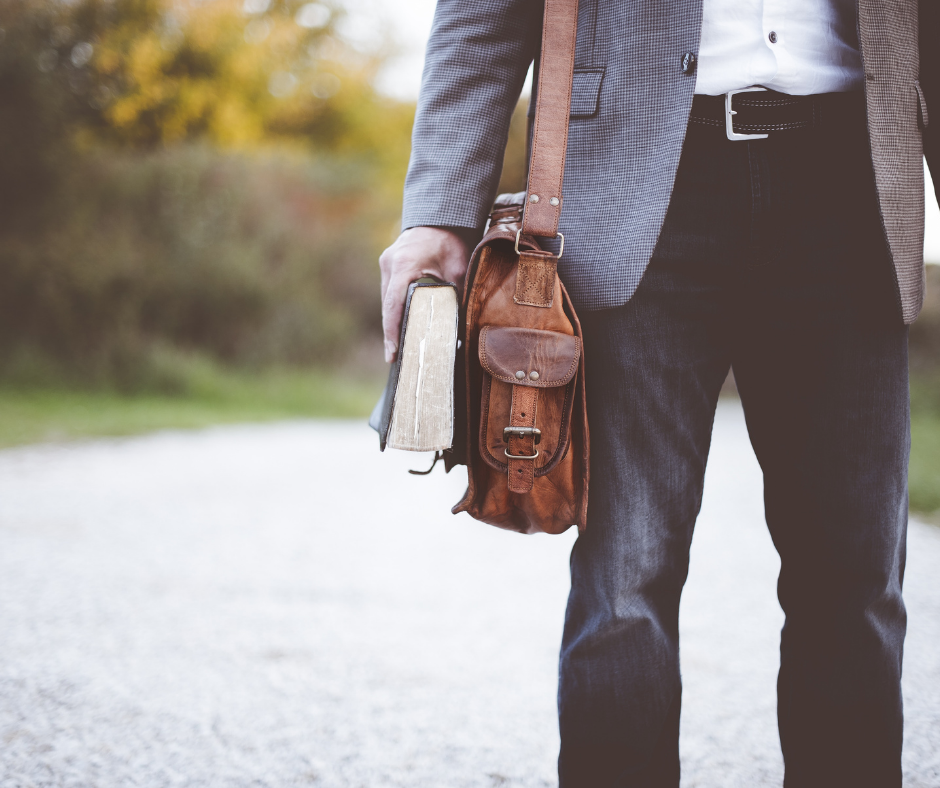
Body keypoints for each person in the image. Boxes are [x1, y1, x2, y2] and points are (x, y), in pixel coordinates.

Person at [379, 1, 938, 785]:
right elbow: (483, 16)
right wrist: (439, 209)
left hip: (852, 186)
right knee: (624, 580)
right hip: (638, 187)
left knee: (858, 582)